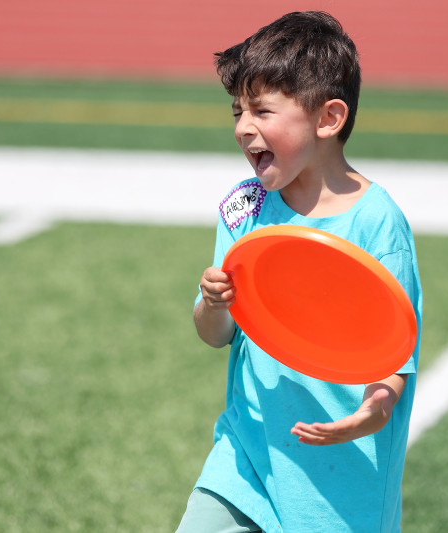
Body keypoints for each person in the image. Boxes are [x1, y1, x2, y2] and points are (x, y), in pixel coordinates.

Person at [177, 11, 423, 533]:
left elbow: (395, 350)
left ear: (328, 118)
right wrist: (213, 303)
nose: (244, 128)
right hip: (246, 455)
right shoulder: (246, 207)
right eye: (238, 112)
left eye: (263, 110)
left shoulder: (378, 221)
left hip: (341, 473)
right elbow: (214, 335)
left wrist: (372, 413)